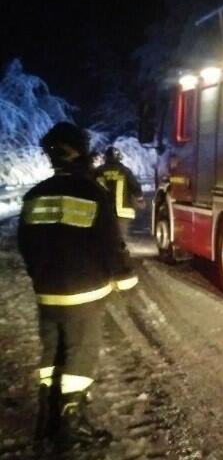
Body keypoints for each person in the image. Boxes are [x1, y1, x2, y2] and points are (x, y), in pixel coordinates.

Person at [17, 122, 138, 448]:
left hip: (47, 294)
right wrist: (125, 279)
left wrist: (41, 276)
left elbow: (26, 244)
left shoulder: (34, 195)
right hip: (85, 294)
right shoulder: (92, 193)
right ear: (82, 153)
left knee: (51, 353)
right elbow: (110, 245)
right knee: (79, 355)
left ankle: (47, 419)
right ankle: (71, 425)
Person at [94, 146, 144, 237]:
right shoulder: (125, 171)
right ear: (119, 158)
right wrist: (140, 199)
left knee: (103, 235)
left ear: (106, 157)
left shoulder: (98, 171)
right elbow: (135, 186)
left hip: (103, 211)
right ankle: (120, 248)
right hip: (123, 213)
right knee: (120, 235)